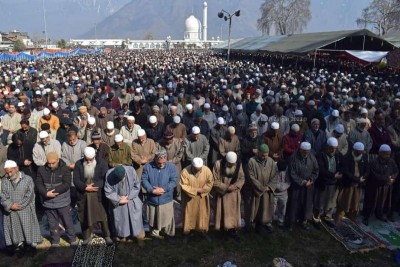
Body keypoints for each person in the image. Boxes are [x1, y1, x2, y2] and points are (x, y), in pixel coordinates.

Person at [35, 152, 78, 247]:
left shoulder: (65, 169)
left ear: (58, 160)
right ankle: (55, 241)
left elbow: (66, 184)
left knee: (67, 221)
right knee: (52, 223)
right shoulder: (41, 170)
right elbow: (38, 184)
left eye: (53, 163)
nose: (51, 165)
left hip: (63, 201)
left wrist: (52, 192)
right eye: (49, 163)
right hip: (48, 202)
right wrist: (46, 193)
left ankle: (72, 239)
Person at [0, 160, 42, 255]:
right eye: (7, 172)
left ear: (17, 169)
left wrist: (20, 206)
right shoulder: (5, 181)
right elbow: (2, 195)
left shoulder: (28, 179)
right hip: (12, 211)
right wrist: (10, 205)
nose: (9, 174)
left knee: (28, 229)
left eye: (11, 171)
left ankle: (30, 247)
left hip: (25, 210)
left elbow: (30, 195)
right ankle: (20, 247)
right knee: (16, 231)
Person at [73, 147, 112, 245]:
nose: (89, 161)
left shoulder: (102, 163)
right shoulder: (78, 164)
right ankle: (86, 236)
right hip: (84, 195)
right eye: (87, 159)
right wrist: (85, 187)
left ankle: (107, 235)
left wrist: (94, 186)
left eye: (91, 159)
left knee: (103, 216)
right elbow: (76, 180)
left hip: (98, 194)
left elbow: (105, 178)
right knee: (85, 216)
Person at [141, 148, 178, 244]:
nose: (161, 165)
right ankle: (155, 236)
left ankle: (170, 235)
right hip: (152, 199)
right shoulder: (147, 167)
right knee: (153, 219)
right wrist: (152, 190)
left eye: (163, 163)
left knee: (168, 219)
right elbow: (144, 180)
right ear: (155, 159)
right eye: (159, 163)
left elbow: (174, 181)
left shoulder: (172, 167)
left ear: (166, 159)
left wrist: (163, 189)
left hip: (166, 199)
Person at [104, 165, 145, 246]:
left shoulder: (131, 170)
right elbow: (108, 191)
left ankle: (139, 237)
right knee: (121, 222)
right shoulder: (109, 174)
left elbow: (137, 185)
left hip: (131, 199)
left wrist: (128, 197)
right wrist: (119, 199)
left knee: (136, 220)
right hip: (118, 202)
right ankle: (122, 238)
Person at [363, 144, 399, 225]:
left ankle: (379, 214)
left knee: (382, 202)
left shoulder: (391, 161)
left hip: (386, 186)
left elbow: (396, 170)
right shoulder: (373, 162)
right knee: (371, 202)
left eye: (389, 154)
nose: (388, 156)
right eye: (386, 154)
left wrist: (393, 178)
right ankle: (366, 216)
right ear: (380, 153)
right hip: (374, 187)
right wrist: (387, 179)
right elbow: (374, 175)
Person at [212, 152, 244, 241]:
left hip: (234, 194)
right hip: (222, 194)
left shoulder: (238, 164)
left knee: (233, 214)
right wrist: (226, 187)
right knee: (223, 213)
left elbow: (242, 178)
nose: (232, 165)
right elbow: (214, 181)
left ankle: (233, 231)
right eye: (230, 164)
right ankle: (223, 233)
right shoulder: (218, 164)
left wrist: (235, 186)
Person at [180, 157, 213, 243]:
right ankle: (188, 233)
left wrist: (203, 190)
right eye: (196, 169)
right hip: (189, 199)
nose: (198, 171)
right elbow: (184, 185)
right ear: (192, 167)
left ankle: (203, 232)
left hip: (202, 198)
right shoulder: (185, 171)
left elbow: (210, 183)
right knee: (189, 215)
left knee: (202, 215)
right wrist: (196, 190)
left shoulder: (207, 171)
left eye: (200, 169)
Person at [287, 142, 319, 231]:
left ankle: (304, 221)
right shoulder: (293, 157)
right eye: (304, 151)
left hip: (308, 186)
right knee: (294, 204)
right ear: (300, 150)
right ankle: (291, 222)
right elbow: (292, 173)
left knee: (306, 204)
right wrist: (302, 182)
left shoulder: (312, 158)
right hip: (297, 186)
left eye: (307, 151)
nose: (305, 153)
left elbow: (316, 171)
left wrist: (311, 180)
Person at [246, 144, 278, 233]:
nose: (265, 157)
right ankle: (252, 226)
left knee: (265, 208)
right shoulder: (252, 161)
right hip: (256, 191)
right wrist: (261, 188)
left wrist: (269, 187)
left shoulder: (271, 161)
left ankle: (264, 224)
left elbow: (275, 175)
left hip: (267, 191)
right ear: (258, 153)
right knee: (254, 209)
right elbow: (251, 177)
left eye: (266, 155)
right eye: (263, 155)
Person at [335, 142, 369, 224]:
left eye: (361, 151)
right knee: (343, 201)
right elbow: (345, 172)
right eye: (358, 151)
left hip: (358, 185)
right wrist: (357, 179)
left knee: (355, 202)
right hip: (348, 184)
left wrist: (363, 177)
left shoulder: (364, 157)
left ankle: (352, 216)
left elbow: (368, 169)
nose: (360, 153)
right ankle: (338, 217)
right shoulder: (346, 157)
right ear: (354, 150)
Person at [314, 137, 343, 223]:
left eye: (334, 148)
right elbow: (321, 169)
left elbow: (342, 166)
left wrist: (338, 174)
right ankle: (316, 217)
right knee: (320, 201)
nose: (333, 150)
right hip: (324, 182)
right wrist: (333, 175)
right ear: (327, 146)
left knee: (331, 202)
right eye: (331, 148)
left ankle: (327, 216)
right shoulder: (320, 155)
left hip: (334, 183)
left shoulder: (338, 155)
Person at [273, 160, 291, 227]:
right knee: (272, 208)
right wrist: (278, 187)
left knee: (283, 208)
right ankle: (269, 221)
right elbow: (271, 180)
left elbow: (289, 181)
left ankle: (281, 221)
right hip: (274, 192)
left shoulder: (287, 168)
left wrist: (283, 187)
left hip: (284, 193)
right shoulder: (273, 167)